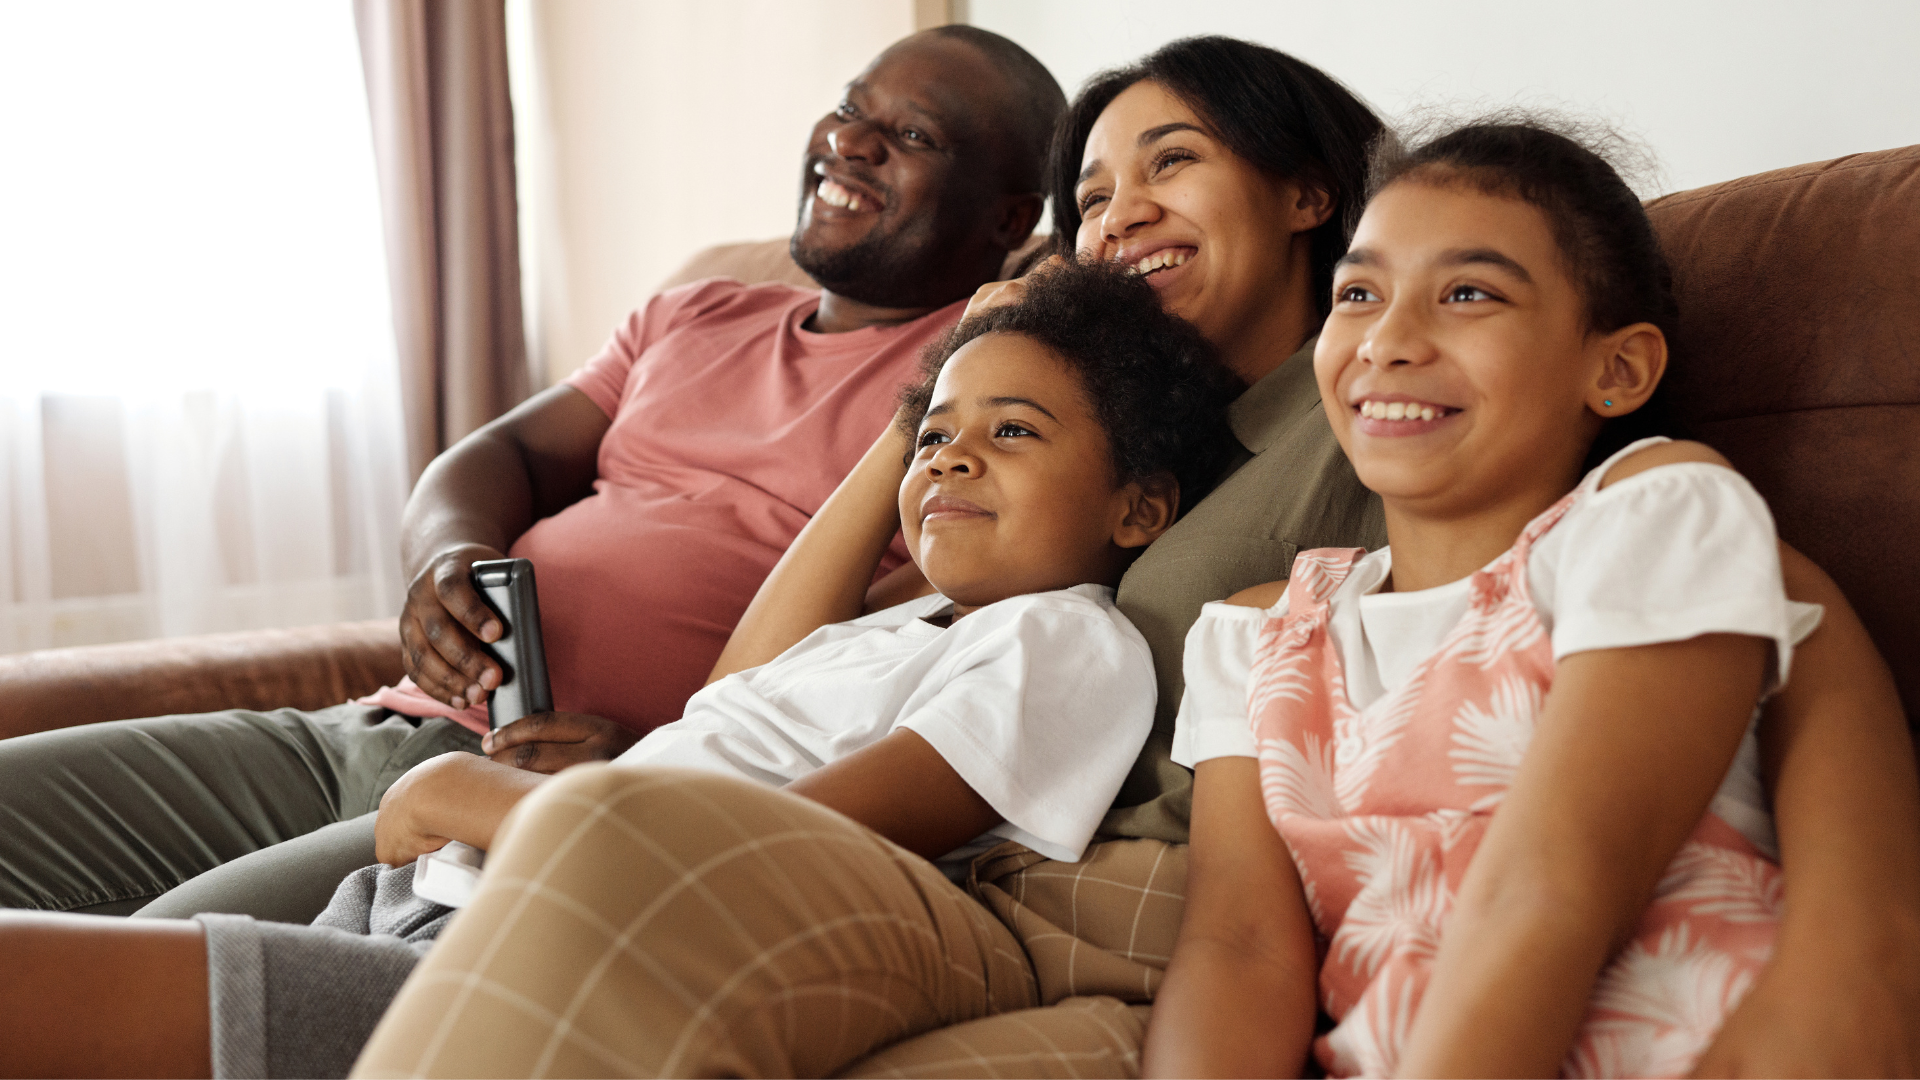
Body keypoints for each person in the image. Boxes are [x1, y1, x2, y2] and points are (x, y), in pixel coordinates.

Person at [0, 261, 1236, 1080]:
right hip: (451, 901)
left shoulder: (1064, 639)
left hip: (523, 951)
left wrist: (469, 800)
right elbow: (732, 695)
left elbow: (769, 852)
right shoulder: (898, 630)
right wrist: (911, 441)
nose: (951, 462)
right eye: (936, 437)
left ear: (1139, 508)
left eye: (1011, 434)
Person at [989, 37, 1919, 1075]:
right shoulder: (1254, 632)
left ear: (1618, 368)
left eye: (1469, 293)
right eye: (1359, 295)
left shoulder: (1653, 512)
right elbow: (1239, 947)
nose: (1389, 338)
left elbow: (1553, 887)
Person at [0, 25, 1067, 924]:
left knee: (99, 982)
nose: (849, 142)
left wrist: (664, 757)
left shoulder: (969, 395)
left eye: (910, 136)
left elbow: (875, 667)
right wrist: (444, 561)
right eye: (850, 109)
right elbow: (496, 455)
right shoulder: (695, 311)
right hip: (373, 730)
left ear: (1008, 219)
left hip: (529, 799)